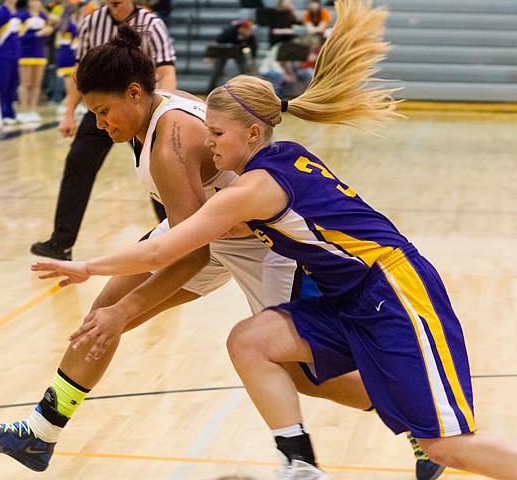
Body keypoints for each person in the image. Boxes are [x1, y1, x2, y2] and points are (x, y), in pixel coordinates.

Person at [30, 1, 517, 479]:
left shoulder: (250, 187)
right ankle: (300, 466)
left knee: (447, 446)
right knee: (251, 340)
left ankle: (383, 438)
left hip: (394, 291)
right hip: (351, 296)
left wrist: (88, 267)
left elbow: (169, 250)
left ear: (252, 133)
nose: (209, 141)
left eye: (216, 133)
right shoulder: (273, 163)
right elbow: (181, 240)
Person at [29, 0, 175, 261]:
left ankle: (177, 236)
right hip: (102, 108)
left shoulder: (153, 24)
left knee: (158, 170)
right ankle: (61, 243)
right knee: (77, 164)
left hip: (140, 109)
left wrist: (165, 116)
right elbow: (78, 73)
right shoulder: (91, 23)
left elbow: (165, 72)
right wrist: (70, 112)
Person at [16, 0, 52, 123]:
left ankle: (33, 110)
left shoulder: (43, 17)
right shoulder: (23, 16)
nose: (35, 3)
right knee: (25, 83)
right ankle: (24, 110)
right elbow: (19, 36)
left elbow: (48, 32)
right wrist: (37, 34)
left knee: (37, 84)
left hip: (39, 54)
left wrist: (47, 32)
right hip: (26, 54)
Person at [0, 0, 22, 124]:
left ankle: (11, 112)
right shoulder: (0, 13)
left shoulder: (17, 13)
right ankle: (3, 112)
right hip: (3, 54)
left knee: (13, 84)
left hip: (16, 54)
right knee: (3, 84)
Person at [206, 18, 258, 92]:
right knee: (216, 72)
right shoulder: (229, 31)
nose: (252, 32)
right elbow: (215, 43)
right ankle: (210, 91)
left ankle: (249, 90)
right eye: (250, 29)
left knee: (245, 71)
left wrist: (253, 60)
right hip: (223, 52)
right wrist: (209, 55)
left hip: (238, 52)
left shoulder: (250, 36)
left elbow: (254, 47)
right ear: (243, 28)